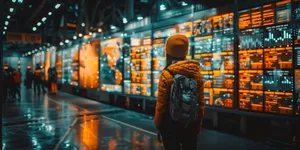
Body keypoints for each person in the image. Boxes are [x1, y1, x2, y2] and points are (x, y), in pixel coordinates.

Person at [154, 35, 205, 150]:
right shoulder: (196, 74)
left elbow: (161, 105)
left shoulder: (167, 74)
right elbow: (201, 104)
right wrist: (198, 124)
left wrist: (157, 125)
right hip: (190, 124)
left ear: (168, 52)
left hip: (170, 125)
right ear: (186, 51)